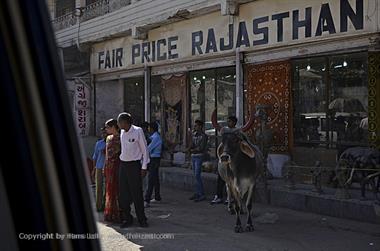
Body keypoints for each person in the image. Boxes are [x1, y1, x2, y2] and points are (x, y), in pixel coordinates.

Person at [118, 112, 149, 228]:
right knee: (123, 194)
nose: (119, 124)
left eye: (120, 122)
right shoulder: (121, 132)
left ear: (126, 122)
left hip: (134, 166)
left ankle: (142, 219)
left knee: (136, 194)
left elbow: (145, 150)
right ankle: (127, 218)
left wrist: (144, 167)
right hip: (123, 165)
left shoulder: (138, 131)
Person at [210, 116, 238, 205]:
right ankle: (219, 196)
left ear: (234, 122)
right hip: (224, 157)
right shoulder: (224, 131)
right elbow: (222, 145)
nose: (228, 123)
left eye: (229, 121)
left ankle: (231, 197)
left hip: (234, 159)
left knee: (233, 179)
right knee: (221, 178)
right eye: (228, 121)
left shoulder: (238, 132)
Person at [104, 119, 121, 222]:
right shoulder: (108, 138)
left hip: (118, 165)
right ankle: (110, 212)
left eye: (108, 127)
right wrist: (104, 166)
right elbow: (107, 154)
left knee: (118, 189)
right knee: (109, 189)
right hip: (109, 166)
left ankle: (118, 213)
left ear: (114, 127)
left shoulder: (121, 137)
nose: (106, 129)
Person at [189, 120, 208, 202]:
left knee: (197, 175)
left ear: (200, 126)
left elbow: (201, 148)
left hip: (199, 156)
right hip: (193, 156)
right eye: (195, 125)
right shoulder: (194, 135)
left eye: (196, 125)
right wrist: (190, 148)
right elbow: (192, 144)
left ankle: (201, 194)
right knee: (195, 175)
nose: (195, 127)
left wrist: (191, 150)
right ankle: (197, 192)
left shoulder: (203, 136)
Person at [144, 122, 163, 208]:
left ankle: (147, 199)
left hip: (154, 159)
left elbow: (148, 149)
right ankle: (157, 196)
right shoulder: (153, 137)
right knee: (155, 178)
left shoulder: (156, 138)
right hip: (153, 159)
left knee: (151, 179)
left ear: (151, 129)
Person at [92, 127, 108, 212]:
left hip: (108, 168)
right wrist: (94, 169)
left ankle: (105, 205)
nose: (104, 135)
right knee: (99, 187)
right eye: (103, 133)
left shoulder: (112, 142)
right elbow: (95, 157)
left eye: (106, 133)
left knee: (107, 188)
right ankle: (98, 206)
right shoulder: (99, 143)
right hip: (99, 167)